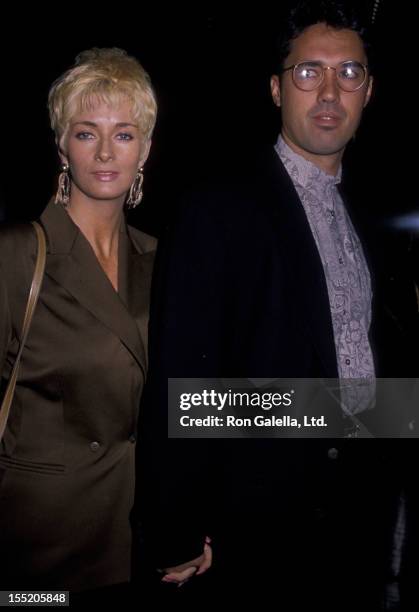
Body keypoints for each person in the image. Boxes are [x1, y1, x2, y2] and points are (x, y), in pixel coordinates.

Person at [139, 1, 419, 608]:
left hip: (362, 532)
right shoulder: (217, 208)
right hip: (257, 535)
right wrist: (176, 527)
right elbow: (186, 384)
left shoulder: (369, 222)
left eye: (349, 74)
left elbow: (374, 378)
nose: (328, 91)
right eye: (307, 71)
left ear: (369, 93)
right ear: (275, 88)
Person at [0, 47, 158, 595]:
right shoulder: (18, 254)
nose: (107, 151)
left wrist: (192, 519)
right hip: (37, 547)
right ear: (63, 146)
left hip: (136, 540)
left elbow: (184, 401)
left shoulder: (162, 260)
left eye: (125, 133)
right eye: (87, 132)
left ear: (146, 149)